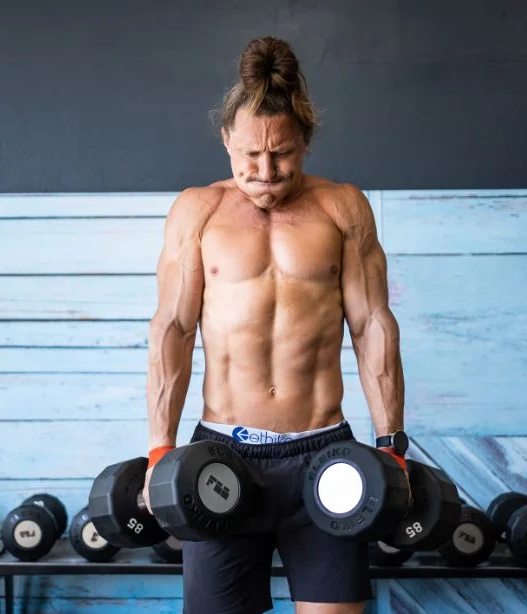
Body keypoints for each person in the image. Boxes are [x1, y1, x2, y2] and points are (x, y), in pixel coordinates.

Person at [143, 36, 408, 614]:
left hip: (326, 457)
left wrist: (391, 444)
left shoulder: (344, 207)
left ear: (307, 140)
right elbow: (173, 328)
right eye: (249, 155)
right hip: (220, 461)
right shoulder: (199, 210)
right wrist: (160, 446)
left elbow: (372, 325)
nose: (264, 171)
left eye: (282, 154)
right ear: (225, 140)